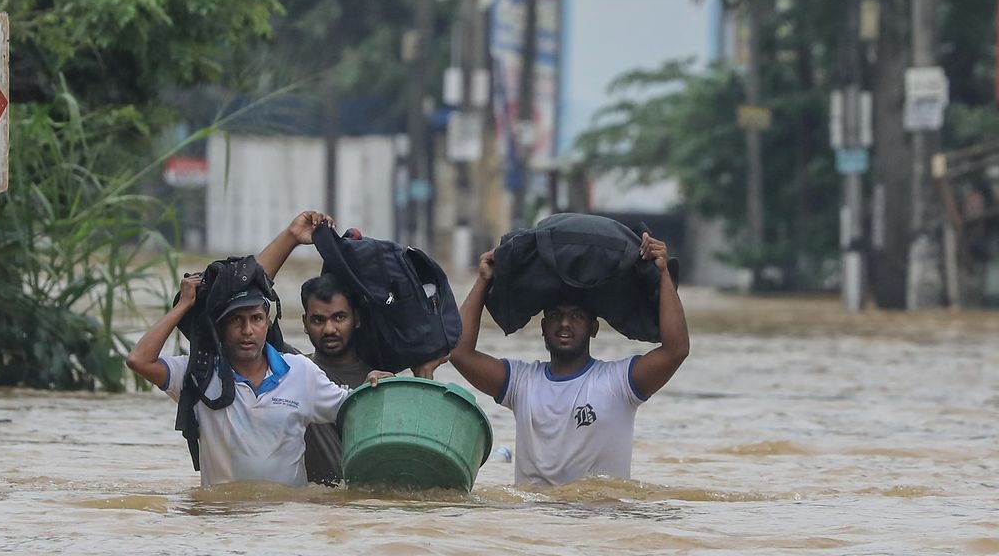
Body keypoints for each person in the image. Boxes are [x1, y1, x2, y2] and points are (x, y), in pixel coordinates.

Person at [449, 232, 689, 486]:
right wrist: (483, 280)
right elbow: (460, 352)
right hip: (535, 517)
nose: (564, 324)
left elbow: (676, 350)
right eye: (554, 316)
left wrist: (663, 273)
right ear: (542, 327)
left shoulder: (619, 383)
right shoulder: (521, 383)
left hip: (599, 518)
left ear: (593, 328)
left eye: (576, 316)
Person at [256, 210, 446, 484]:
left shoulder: (381, 382)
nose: (329, 329)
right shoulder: (291, 370)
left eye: (339, 317)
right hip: (305, 515)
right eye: (318, 320)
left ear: (356, 319)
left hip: (366, 514)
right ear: (305, 323)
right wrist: (292, 237)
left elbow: (425, 461)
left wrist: (424, 375)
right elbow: (241, 301)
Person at [125, 274, 364, 487]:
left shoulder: (301, 371)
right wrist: (184, 304)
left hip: (287, 523)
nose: (247, 330)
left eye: (256, 318)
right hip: (222, 521)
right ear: (220, 327)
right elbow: (139, 360)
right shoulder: (200, 374)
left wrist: (375, 384)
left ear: (267, 323)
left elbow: (357, 410)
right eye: (236, 320)